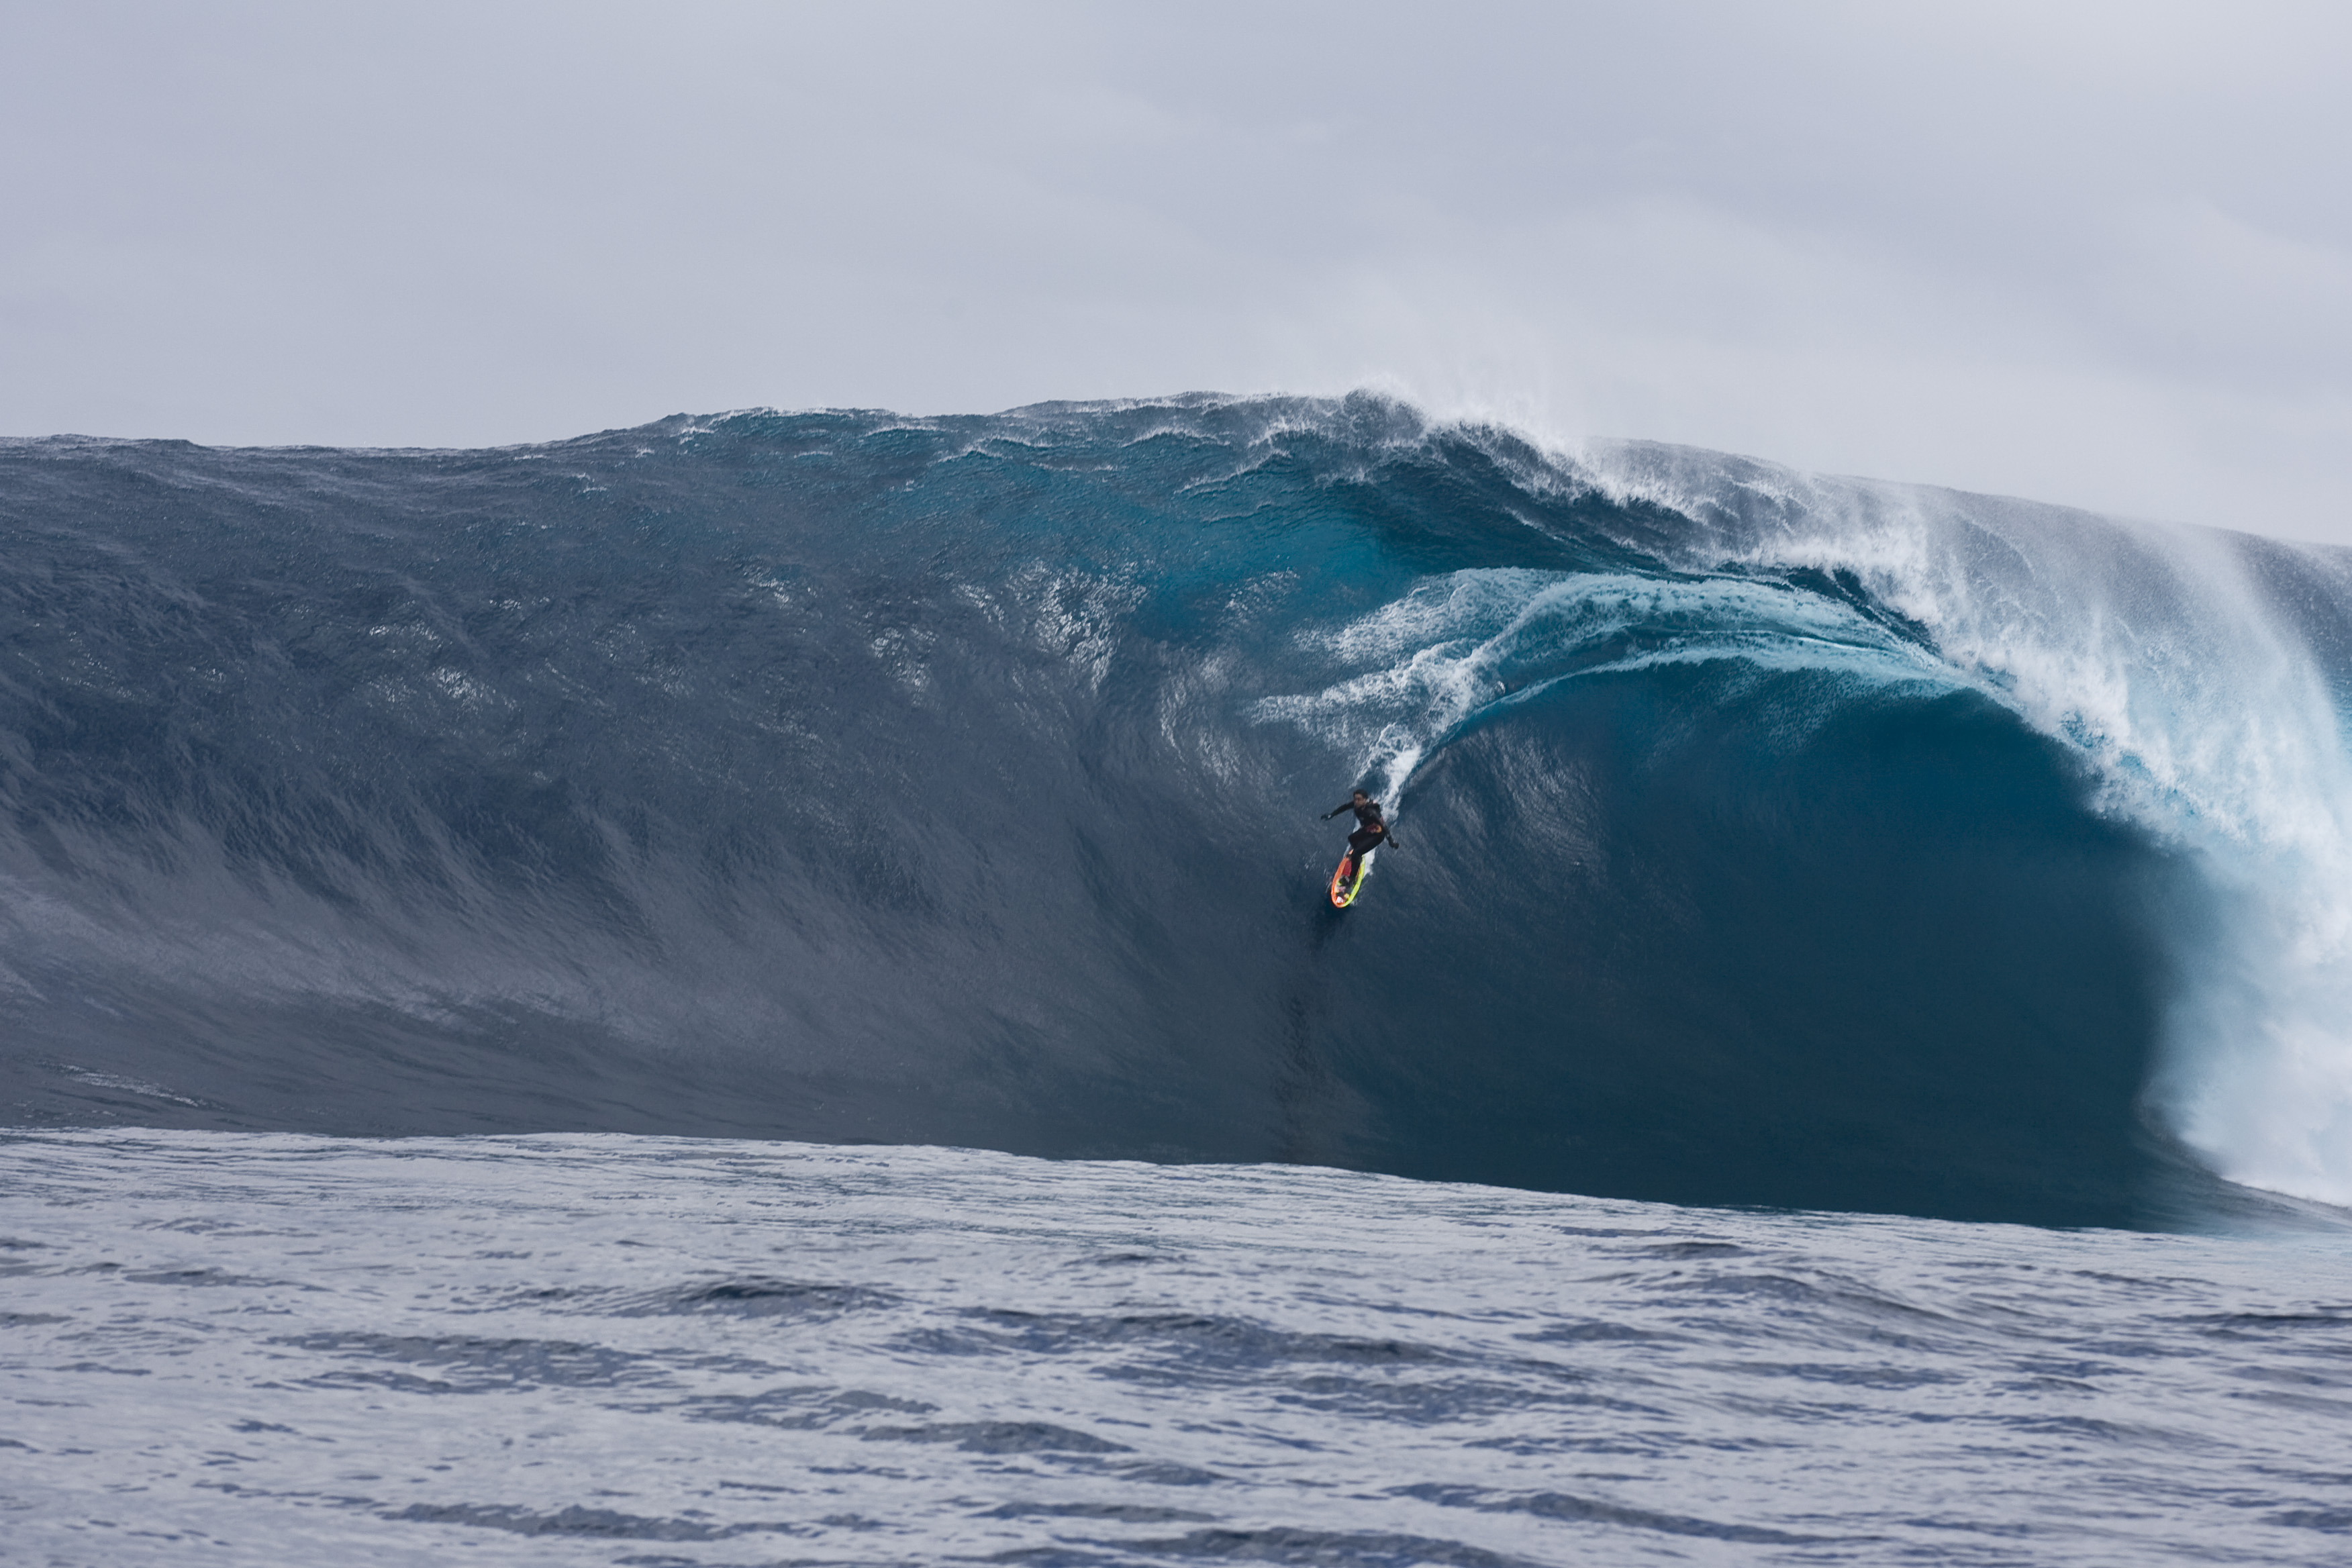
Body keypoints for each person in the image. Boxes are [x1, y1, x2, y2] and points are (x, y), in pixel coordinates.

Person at [1321, 789, 1399, 878]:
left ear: (1365, 799)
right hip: (1368, 830)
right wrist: (1332, 815)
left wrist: (1391, 841)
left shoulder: (1371, 812)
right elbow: (1344, 807)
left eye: (1359, 799)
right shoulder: (1356, 805)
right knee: (1351, 839)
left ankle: (1352, 878)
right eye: (1355, 799)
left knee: (1356, 853)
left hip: (1378, 835)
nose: (1356, 802)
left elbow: (1384, 827)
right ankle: (1358, 857)